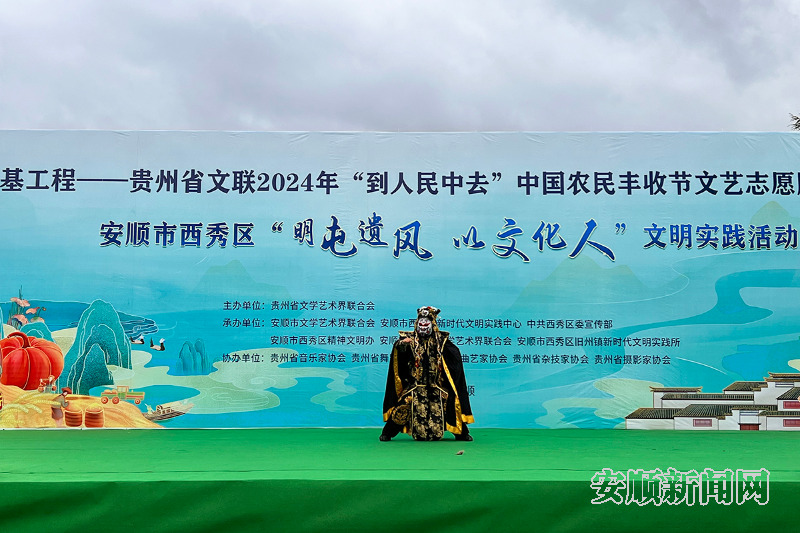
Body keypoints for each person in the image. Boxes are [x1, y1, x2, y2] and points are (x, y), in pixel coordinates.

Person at [380, 306, 474, 441]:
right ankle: (387, 433)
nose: (423, 328)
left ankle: (462, 434)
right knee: (402, 408)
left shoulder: (441, 341)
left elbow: (454, 355)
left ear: (432, 325)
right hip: (415, 386)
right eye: (421, 325)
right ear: (416, 324)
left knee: (450, 404)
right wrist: (402, 345)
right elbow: (400, 355)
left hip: (436, 385)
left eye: (426, 325)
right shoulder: (409, 340)